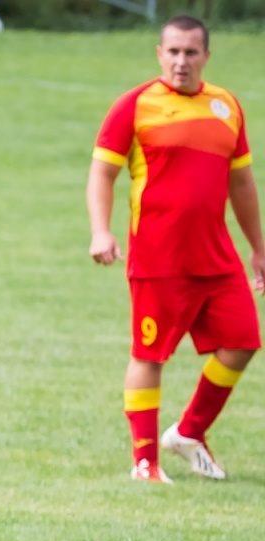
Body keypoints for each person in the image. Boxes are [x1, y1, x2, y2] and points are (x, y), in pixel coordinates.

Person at [88, 15, 263, 482]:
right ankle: (145, 461)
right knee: (150, 356)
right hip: (158, 259)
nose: (181, 61)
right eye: (173, 51)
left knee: (244, 342)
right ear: (159, 53)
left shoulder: (226, 107)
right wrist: (100, 231)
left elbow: (242, 183)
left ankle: (188, 433)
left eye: (190, 52)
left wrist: (259, 249)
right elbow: (102, 173)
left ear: (207, 55)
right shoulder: (135, 105)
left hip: (217, 257)